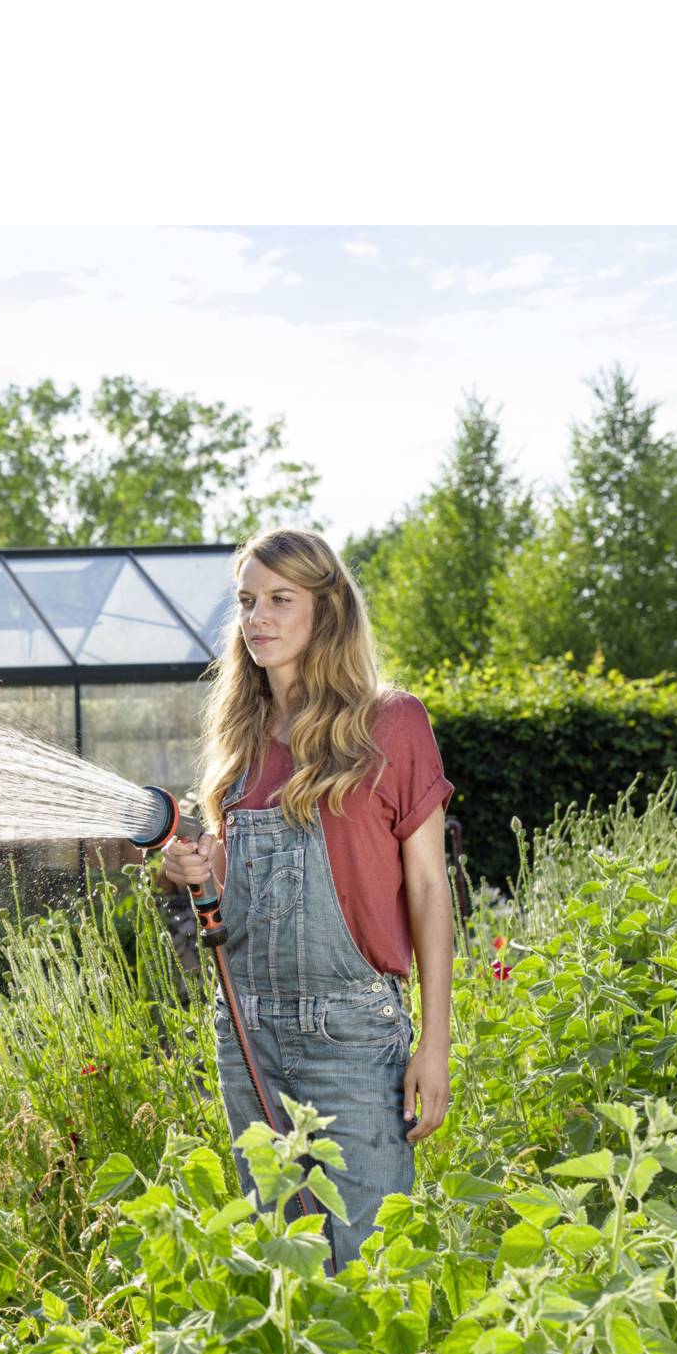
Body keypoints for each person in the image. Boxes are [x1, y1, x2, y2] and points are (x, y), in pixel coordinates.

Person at [158, 527, 455, 1271]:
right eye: (246, 601)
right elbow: (234, 885)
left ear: (327, 608)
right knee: (278, 1270)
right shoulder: (242, 735)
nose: (257, 618)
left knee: (367, 1266)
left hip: (350, 1037)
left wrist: (435, 1045)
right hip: (247, 1031)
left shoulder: (389, 723)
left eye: (280, 599)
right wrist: (195, 869)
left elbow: (428, 887)